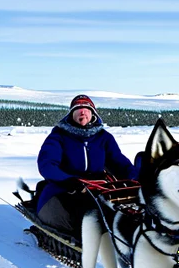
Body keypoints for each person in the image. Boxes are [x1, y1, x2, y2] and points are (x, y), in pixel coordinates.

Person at [36, 94, 138, 238]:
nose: (82, 111)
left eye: (87, 108)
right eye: (78, 109)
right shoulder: (59, 136)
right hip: (65, 186)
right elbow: (47, 164)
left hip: (98, 184)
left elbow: (118, 161)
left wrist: (135, 176)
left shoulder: (104, 137)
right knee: (80, 216)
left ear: (93, 114)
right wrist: (67, 180)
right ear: (71, 114)